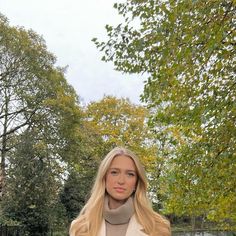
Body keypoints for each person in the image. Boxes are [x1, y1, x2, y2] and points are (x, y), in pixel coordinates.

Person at [69, 147, 171, 236]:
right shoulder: (80, 228)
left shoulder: (158, 227)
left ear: (137, 182)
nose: (121, 181)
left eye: (130, 174)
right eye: (114, 172)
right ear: (104, 178)